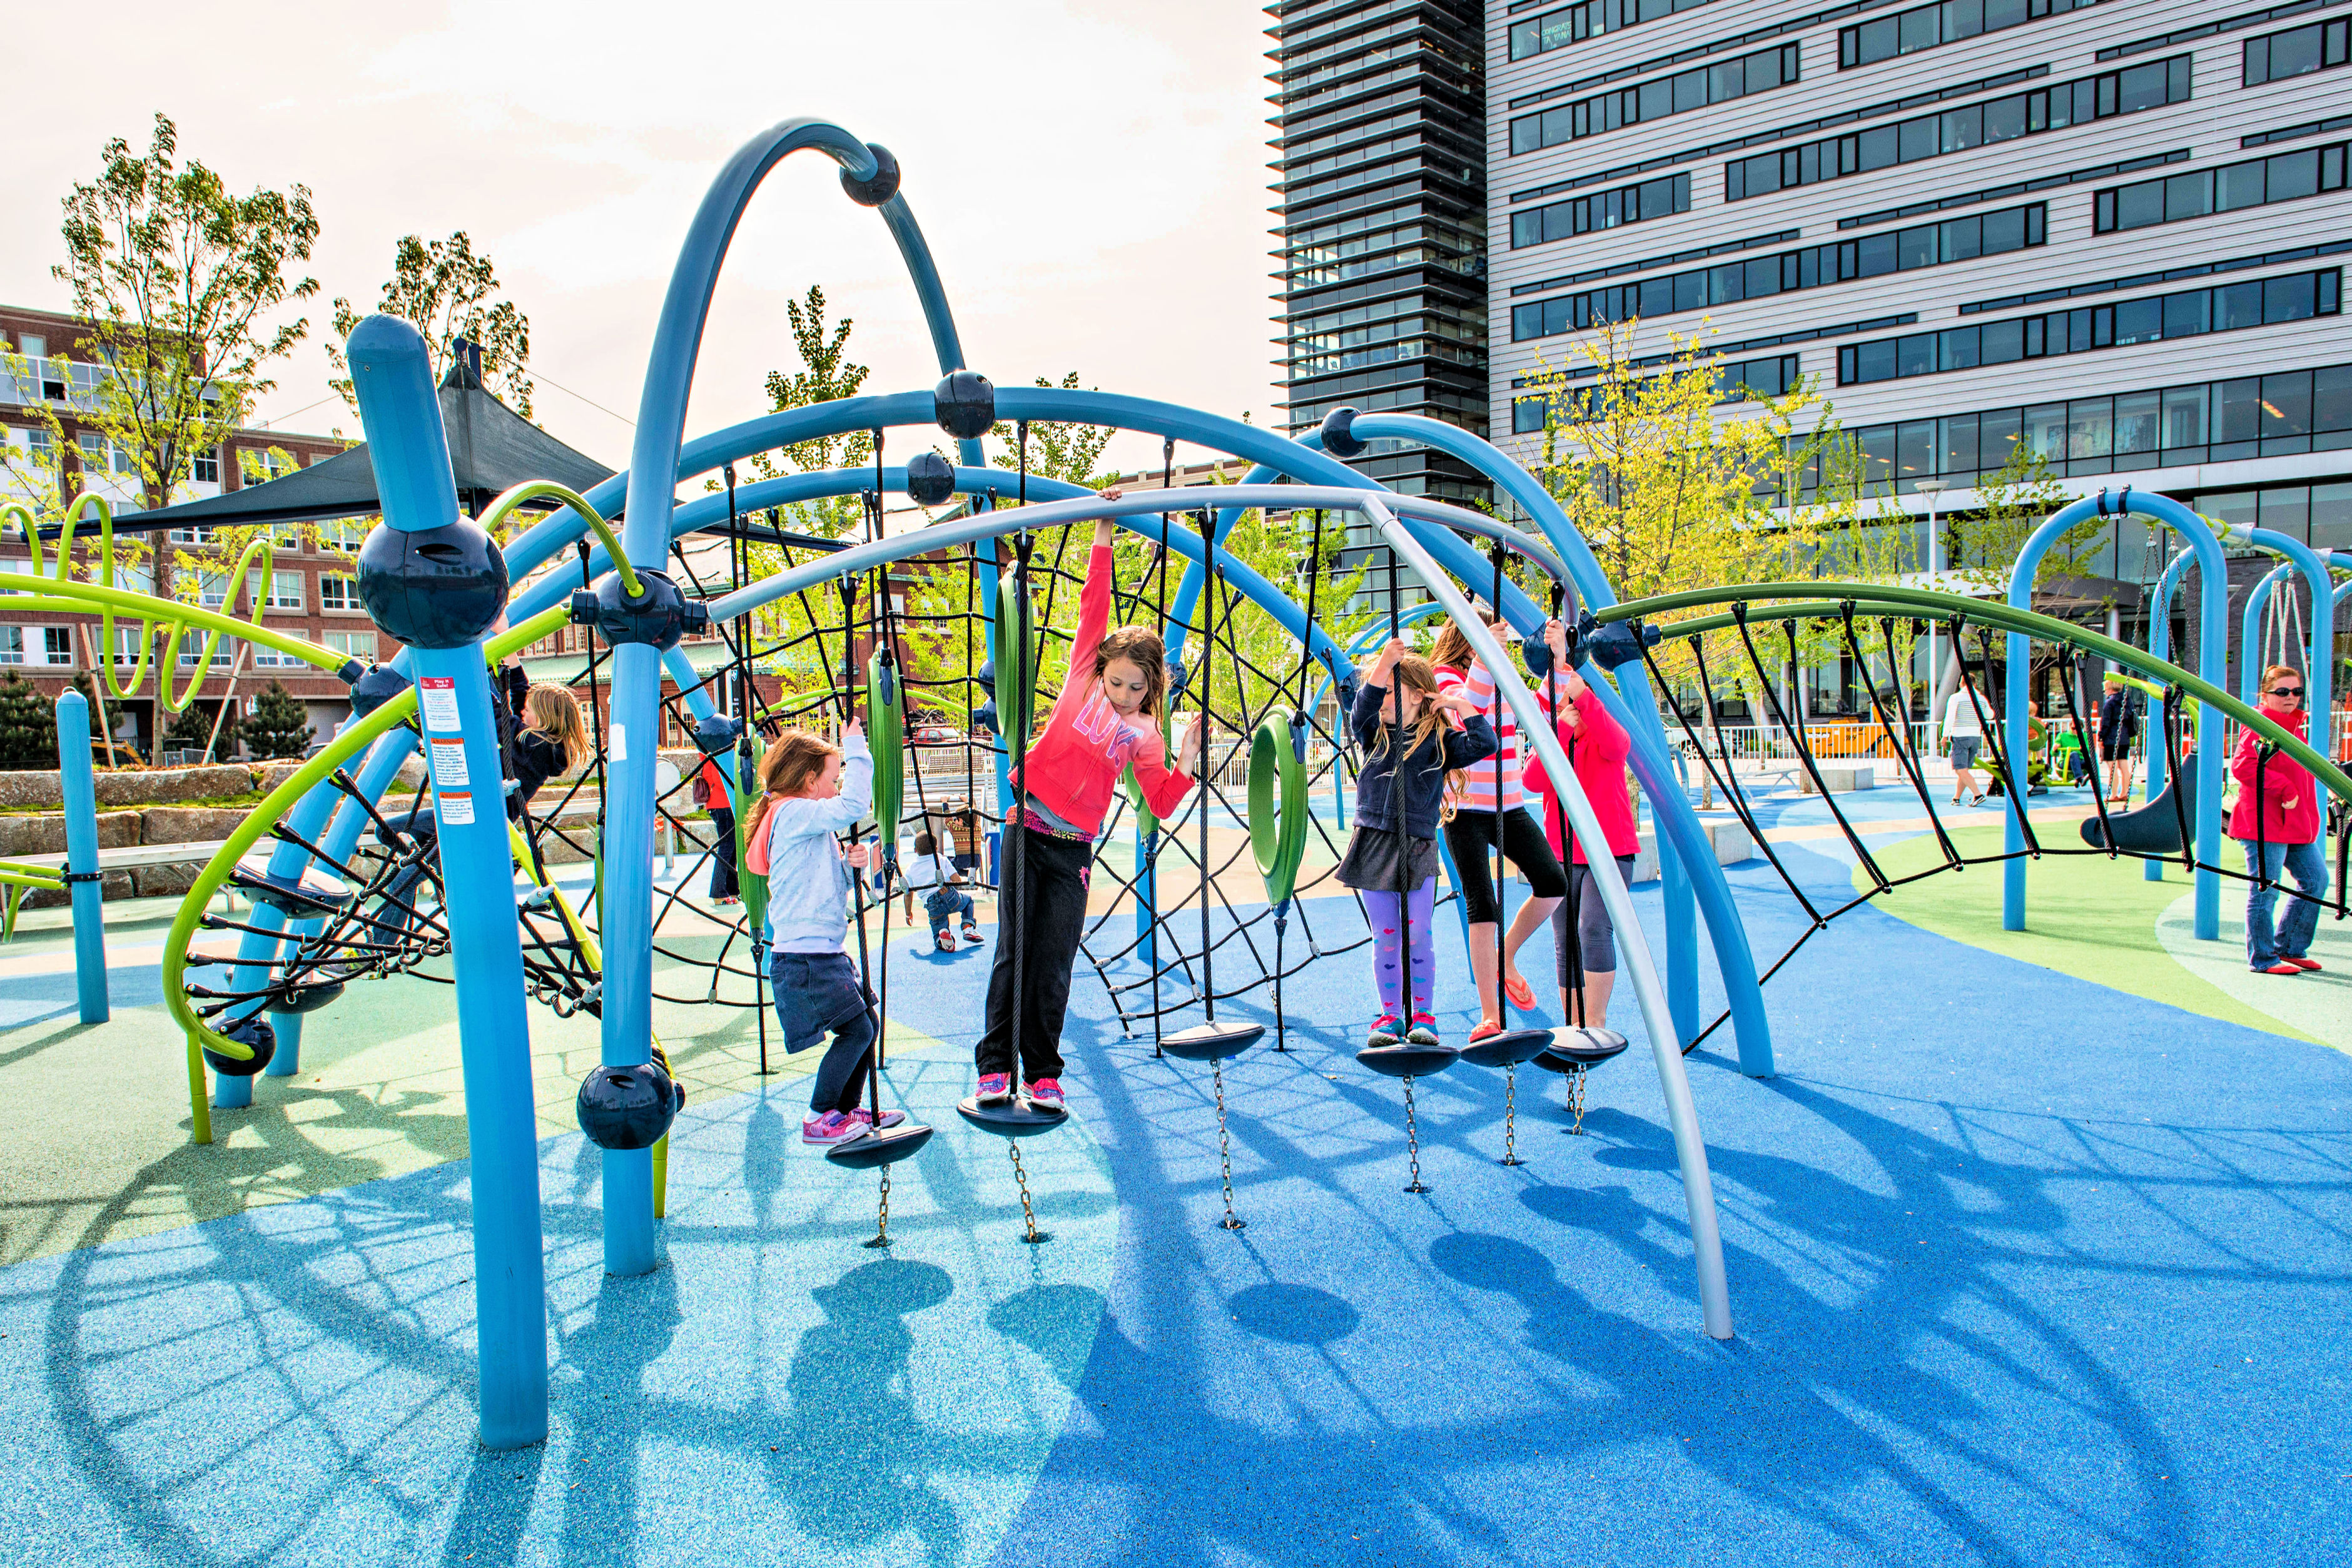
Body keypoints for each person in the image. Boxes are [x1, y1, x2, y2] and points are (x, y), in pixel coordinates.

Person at [981, 507, 1205, 1112]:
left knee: (1054, 963)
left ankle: (1043, 1073)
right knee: (1014, 952)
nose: (1125, 694)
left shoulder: (1146, 735)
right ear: (1101, 670)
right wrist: (1103, 531)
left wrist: (1185, 760)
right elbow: (1093, 606)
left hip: (1074, 849)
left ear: (1152, 687)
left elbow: (1159, 801)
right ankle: (995, 1066)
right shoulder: (1082, 677)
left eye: (1138, 687)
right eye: (1118, 681)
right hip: (1027, 828)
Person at [744, 721, 904, 1144]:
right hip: (806, 957)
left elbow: (823, 886)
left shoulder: (804, 821)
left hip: (820, 951)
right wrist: (856, 749)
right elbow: (855, 804)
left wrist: (848, 867)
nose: (836, 788)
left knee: (866, 1024)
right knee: (858, 1030)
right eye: (833, 779)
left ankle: (844, 1111)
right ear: (809, 780)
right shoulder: (793, 812)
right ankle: (819, 1115)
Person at [1335, 637, 1496, 1048]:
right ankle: (1391, 1014)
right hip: (1373, 844)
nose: (1383, 698)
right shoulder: (1374, 735)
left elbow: (1485, 743)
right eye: (1382, 690)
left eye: (1392, 690)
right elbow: (1361, 710)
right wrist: (1383, 667)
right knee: (1386, 935)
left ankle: (1423, 1014)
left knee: (1418, 931)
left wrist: (1459, 706)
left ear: (1417, 696)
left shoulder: (1439, 743)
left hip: (1418, 846)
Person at [1429, 615, 1566, 1041]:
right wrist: (1487, 658)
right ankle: (1490, 1014)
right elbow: (1466, 713)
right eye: (1488, 641)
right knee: (1482, 902)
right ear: (1468, 640)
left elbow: (1542, 712)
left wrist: (1558, 661)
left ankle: (1506, 954)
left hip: (1509, 804)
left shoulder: (1500, 674)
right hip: (1466, 807)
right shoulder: (1444, 676)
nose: (1501, 648)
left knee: (1553, 882)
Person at [1523, 619, 1639, 1031]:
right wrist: (1559, 731)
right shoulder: (1558, 740)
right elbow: (1532, 780)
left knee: (1593, 926)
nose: (1567, 706)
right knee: (1565, 936)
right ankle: (1574, 1024)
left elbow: (1619, 745)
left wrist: (1583, 697)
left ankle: (1596, 1019)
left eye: (1572, 700)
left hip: (1609, 850)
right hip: (1564, 852)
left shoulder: (1605, 736)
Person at [2230, 664, 2329, 977]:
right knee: (2265, 890)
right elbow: (2242, 766)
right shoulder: (2260, 724)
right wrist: (2284, 788)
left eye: (2296, 691)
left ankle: (2290, 946)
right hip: (2265, 823)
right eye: (2282, 691)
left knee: (2316, 880)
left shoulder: (2294, 726)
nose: (2291, 697)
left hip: (2293, 823)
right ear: (2265, 695)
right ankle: (2262, 958)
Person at [903, 829, 980, 951]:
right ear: (936, 848)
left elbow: (908, 894)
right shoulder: (941, 859)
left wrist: (908, 913)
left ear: (915, 850)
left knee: (937, 933)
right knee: (968, 901)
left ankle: (942, 937)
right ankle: (967, 928)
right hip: (949, 896)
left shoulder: (910, 869)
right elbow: (957, 881)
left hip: (932, 906)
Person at [692, 753, 739, 905]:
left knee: (732, 847)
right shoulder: (717, 755)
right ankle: (719, 891)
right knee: (727, 847)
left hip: (720, 804)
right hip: (722, 804)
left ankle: (731, 888)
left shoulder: (709, 756)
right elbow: (720, 780)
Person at [1943, 679, 1985, 805]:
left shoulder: (1956, 698)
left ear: (1961, 684)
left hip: (1960, 736)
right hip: (1975, 736)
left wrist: (1945, 736)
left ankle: (1978, 795)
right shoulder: (1982, 699)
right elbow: (1990, 714)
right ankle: (1956, 798)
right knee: (1964, 770)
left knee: (1960, 769)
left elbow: (1950, 717)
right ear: (1975, 684)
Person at [2097, 673, 2137, 803]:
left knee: (2112, 767)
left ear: (2110, 689)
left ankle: (2113, 794)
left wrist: (2101, 737)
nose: (2105, 692)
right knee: (2124, 766)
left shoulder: (2110, 703)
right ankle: (2124, 793)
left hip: (2111, 738)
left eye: (2105, 690)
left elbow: (2106, 722)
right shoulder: (2127, 701)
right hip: (2124, 737)